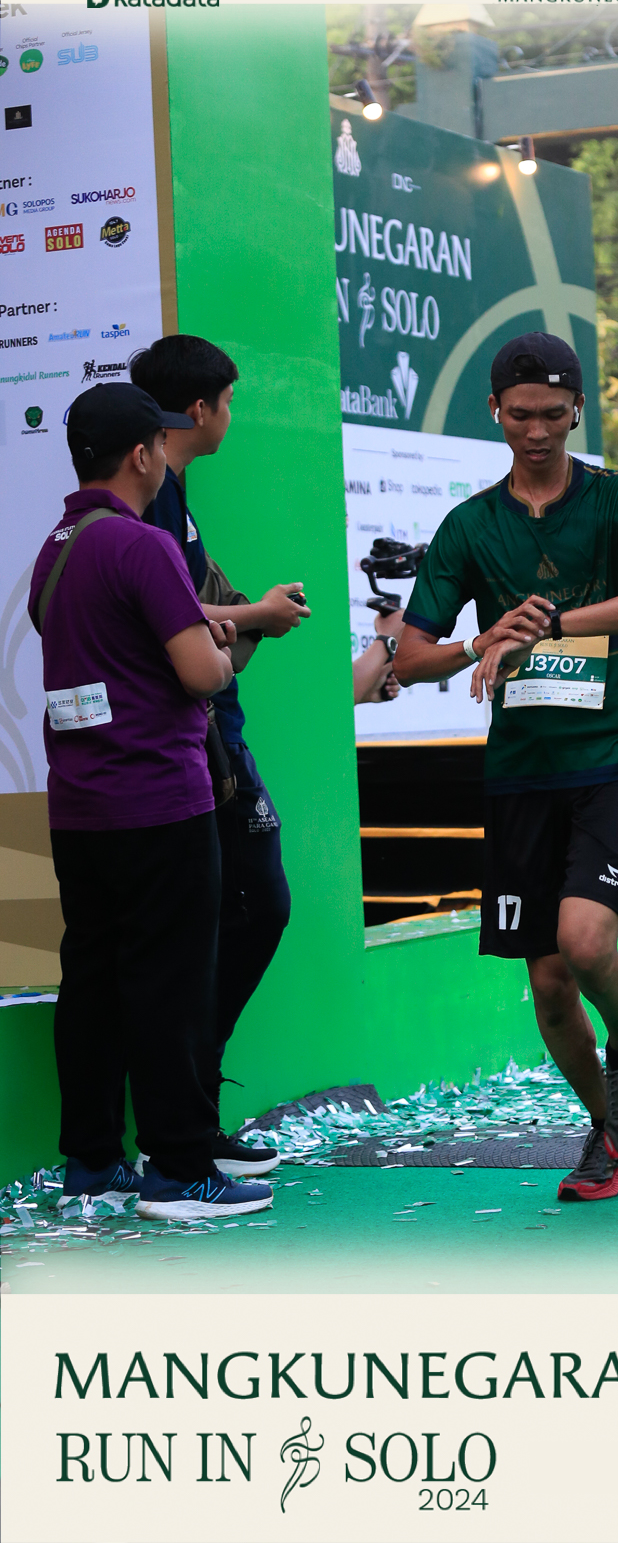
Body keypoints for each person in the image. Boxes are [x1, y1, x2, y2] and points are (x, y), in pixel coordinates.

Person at [393, 332, 618, 1202]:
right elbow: (410, 659)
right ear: (494, 410)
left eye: (554, 415)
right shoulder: (470, 525)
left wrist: (553, 625)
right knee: (550, 985)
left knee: (585, 940)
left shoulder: (615, 498)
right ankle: (609, 1130)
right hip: (522, 770)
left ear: (576, 411)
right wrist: (480, 641)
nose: (536, 431)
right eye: (520, 415)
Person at [29, 383, 273, 1221]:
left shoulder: (56, 545)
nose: (168, 456)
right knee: (172, 985)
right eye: (162, 445)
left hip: (80, 807)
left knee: (92, 980)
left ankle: (93, 1161)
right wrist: (228, 643)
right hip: (160, 801)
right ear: (143, 454)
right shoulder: (141, 544)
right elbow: (202, 674)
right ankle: (180, 1169)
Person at [133, 335, 308, 1179]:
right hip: (195, 749)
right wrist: (254, 619)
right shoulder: (150, 497)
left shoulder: (176, 493)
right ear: (199, 408)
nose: (231, 415)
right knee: (240, 911)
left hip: (213, 737)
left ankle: (193, 1113)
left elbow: (199, 604)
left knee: (253, 908)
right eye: (230, 401)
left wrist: (246, 616)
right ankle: (180, 1130)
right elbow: (171, 618)